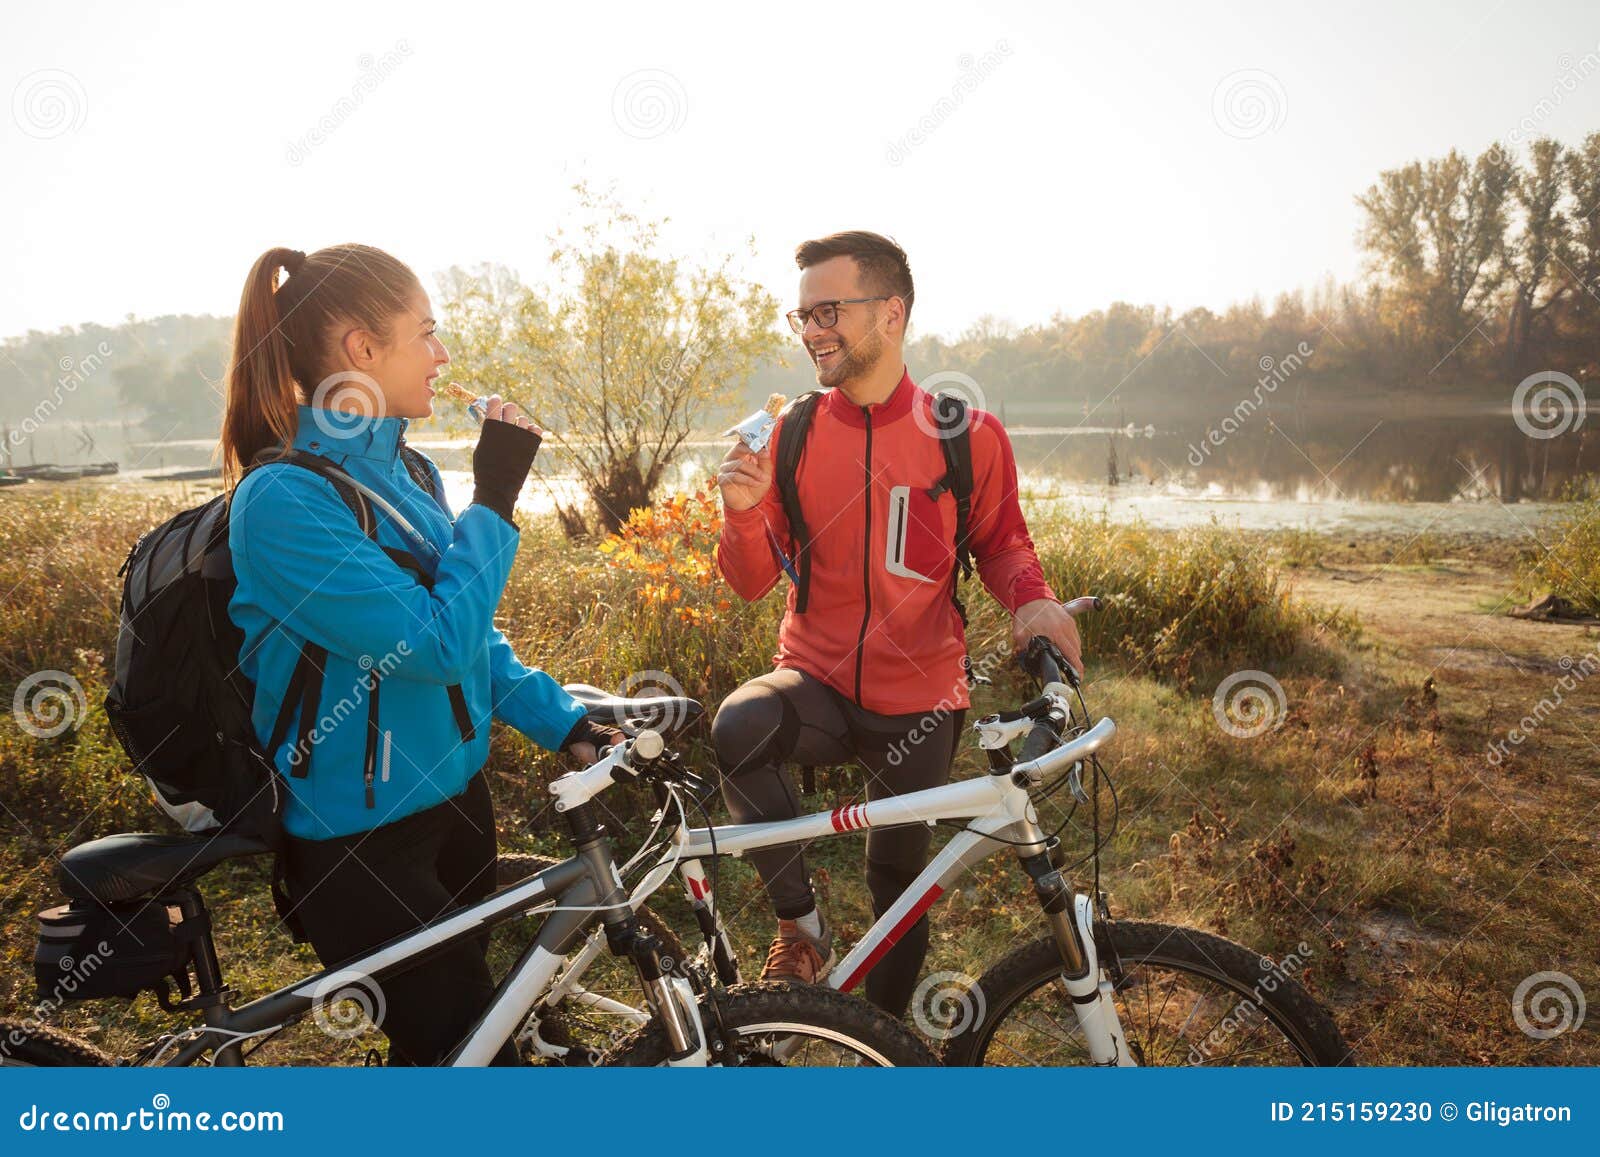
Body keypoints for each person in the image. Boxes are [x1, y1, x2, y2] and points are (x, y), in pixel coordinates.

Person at [221, 243, 618, 1065]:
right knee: (472, 1059)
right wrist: (498, 496)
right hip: (361, 845)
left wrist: (564, 721)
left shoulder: (407, 470)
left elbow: (468, 635)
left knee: (457, 1052)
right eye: (426, 333)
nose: (443, 356)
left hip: (455, 802)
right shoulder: (283, 501)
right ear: (362, 351)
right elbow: (432, 644)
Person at [712, 231, 1083, 1018]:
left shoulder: (965, 434)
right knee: (740, 725)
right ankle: (800, 926)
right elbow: (749, 581)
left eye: (829, 310)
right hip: (811, 679)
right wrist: (739, 515)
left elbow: (1004, 544)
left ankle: (882, 1044)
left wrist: (1035, 600)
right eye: (803, 314)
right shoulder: (794, 433)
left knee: (900, 893)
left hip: (919, 702)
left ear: (891, 313)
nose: (812, 330)